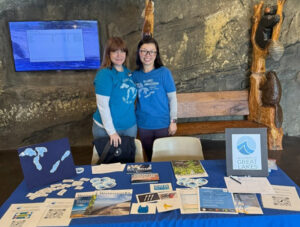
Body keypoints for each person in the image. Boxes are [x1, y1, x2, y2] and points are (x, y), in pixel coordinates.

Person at [132, 36, 177, 161]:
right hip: (143, 124)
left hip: (163, 124)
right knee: (150, 158)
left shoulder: (164, 72)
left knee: (164, 158)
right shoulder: (134, 76)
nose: (148, 54)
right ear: (139, 53)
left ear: (156, 54)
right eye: (144, 50)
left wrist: (173, 122)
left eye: (152, 51)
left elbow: (172, 99)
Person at [92, 37, 137, 147]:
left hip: (129, 126)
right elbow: (103, 106)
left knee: (129, 161)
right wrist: (112, 132)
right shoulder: (105, 74)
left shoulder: (128, 73)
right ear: (108, 54)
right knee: (109, 163)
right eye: (115, 51)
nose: (119, 55)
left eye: (122, 51)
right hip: (107, 130)